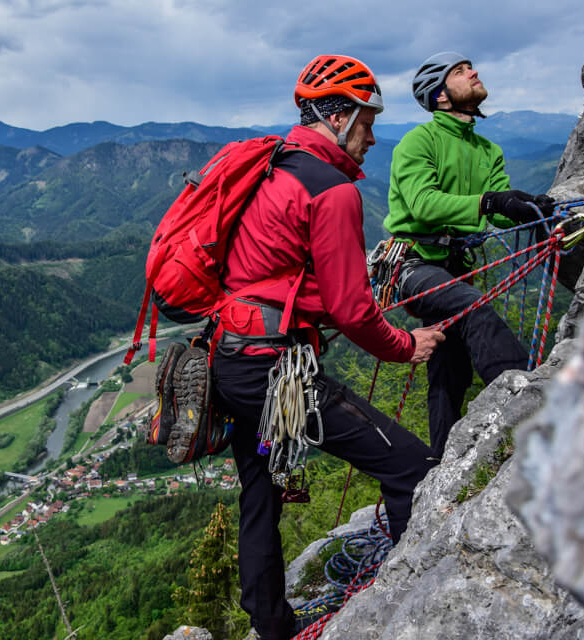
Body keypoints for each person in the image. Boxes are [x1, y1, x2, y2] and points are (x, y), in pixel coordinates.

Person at [210, 54, 445, 640]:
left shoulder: (273, 168)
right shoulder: (332, 190)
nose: (371, 138)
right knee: (412, 467)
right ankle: (407, 605)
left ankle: (273, 629)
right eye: (366, 123)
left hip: (230, 358)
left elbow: (270, 272)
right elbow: (352, 309)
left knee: (259, 494)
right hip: (273, 372)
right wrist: (404, 345)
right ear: (338, 118)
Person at [385, 52, 554, 462]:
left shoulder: (487, 150)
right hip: (413, 266)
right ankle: (530, 400)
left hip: (455, 268)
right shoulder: (418, 142)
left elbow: (495, 206)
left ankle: (441, 462)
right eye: (460, 71)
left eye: (470, 67)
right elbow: (424, 204)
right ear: (440, 95)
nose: (473, 72)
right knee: (473, 308)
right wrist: (489, 200)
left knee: (450, 368)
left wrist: (524, 205)